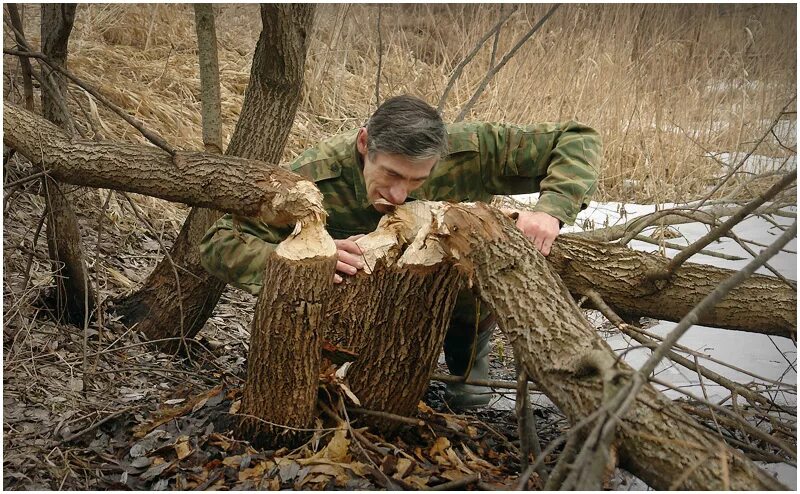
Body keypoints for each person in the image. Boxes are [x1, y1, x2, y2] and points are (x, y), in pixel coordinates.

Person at [199, 95, 601, 409]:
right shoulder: (316, 175)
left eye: (416, 180)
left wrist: (552, 211)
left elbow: (578, 137)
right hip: (358, 304)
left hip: (452, 285)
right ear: (363, 143)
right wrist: (308, 258)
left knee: (471, 273)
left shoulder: (470, 150)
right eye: (390, 174)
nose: (398, 195)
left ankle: (468, 357)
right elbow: (220, 241)